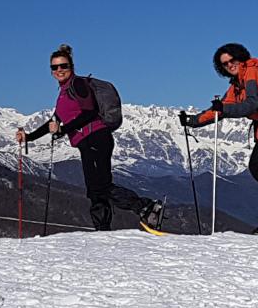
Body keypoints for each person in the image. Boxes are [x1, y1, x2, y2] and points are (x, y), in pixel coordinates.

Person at [16, 44, 163, 231]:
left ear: (71, 66)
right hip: (87, 143)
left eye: (63, 66)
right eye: (55, 67)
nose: (59, 70)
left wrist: (62, 130)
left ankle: (146, 207)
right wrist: (29, 137)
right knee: (94, 189)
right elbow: (54, 121)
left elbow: (90, 112)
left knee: (101, 186)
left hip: (97, 138)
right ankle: (102, 228)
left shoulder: (78, 85)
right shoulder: (63, 93)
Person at [178, 43, 258, 230]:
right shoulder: (236, 85)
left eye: (233, 60)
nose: (230, 65)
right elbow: (219, 110)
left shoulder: (252, 73)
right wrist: (193, 120)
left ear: (241, 57)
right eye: (225, 64)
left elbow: (251, 105)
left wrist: (224, 108)